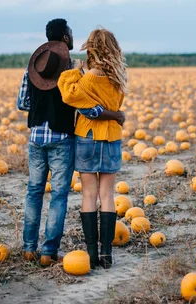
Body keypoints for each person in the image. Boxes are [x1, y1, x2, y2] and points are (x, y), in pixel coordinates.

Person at [17, 19, 125, 267]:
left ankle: (29, 248)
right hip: (73, 138)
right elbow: (87, 103)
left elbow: (23, 103)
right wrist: (116, 115)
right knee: (63, 195)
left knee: (34, 193)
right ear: (65, 38)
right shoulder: (88, 74)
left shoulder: (35, 69)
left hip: (41, 138)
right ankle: (54, 252)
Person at [57, 27, 127, 269]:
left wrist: (74, 72)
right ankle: (107, 254)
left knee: (88, 194)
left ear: (91, 49)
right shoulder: (118, 80)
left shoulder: (86, 79)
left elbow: (67, 94)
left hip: (86, 137)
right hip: (111, 138)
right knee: (107, 195)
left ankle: (91, 255)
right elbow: (117, 107)